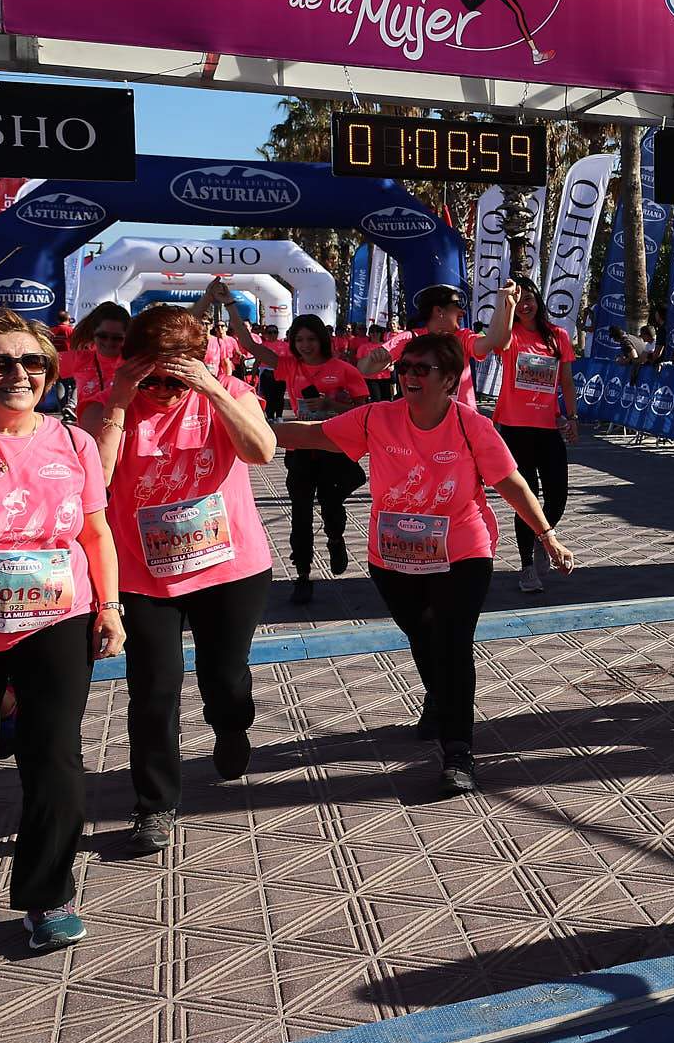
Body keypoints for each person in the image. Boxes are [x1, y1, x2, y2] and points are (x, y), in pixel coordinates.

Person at [275, 333, 575, 793]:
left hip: (463, 550)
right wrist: (241, 424)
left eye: (422, 368)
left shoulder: (471, 426)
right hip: (393, 557)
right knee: (421, 634)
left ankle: (459, 749)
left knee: (453, 643)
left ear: (449, 379)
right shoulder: (379, 417)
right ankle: (439, 694)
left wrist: (546, 535)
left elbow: (510, 481)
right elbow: (312, 434)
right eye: (405, 367)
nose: (409, 374)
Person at [0, 312, 124, 950]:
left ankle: (48, 894)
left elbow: (94, 531)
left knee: (55, 754)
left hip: (55, 618)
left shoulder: (74, 444)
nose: (18, 374)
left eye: (32, 362)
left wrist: (111, 605)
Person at [86, 306, 276, 855]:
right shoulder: (104, 407)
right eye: (155, 378)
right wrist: (122, 399)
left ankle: (231, 723)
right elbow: (94, 484)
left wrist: (212, 390)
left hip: (229, 567)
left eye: (178, 376)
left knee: (225, 677)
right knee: (154, 690)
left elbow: (261, 452)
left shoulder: (229, 394)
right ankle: (155, 804)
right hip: (145, 577)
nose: (166, 389)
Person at [230, 307, 370, 606]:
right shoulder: (289, 366)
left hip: (334, 449)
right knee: (301, 514)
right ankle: (303, 574)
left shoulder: (346, 370)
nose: (305, 345)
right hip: (300, 451)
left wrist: (330, 404)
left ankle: (335, 538)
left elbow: (365, 412)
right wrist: (230, 306)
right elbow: (251, 347)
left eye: (311, 339)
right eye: (299, 340)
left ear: (322, 339)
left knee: (332, 507)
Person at [489, 277, 579, 594]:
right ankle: (528, 567)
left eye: (530, 298)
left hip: (548, 428)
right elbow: (495, 340)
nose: (526, 303)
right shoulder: (509, 335)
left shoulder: (558, 336)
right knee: (525, 500)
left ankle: (544, 536)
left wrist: (572, 416)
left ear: (539, 301)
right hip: (515, 429)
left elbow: (566, 381)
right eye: (520, 299)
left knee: (558, 496)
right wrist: (506, 304)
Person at [356, 283, 501, 409]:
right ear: (439, 311)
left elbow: (490, 342)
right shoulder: (410, 338)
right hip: (424, 422)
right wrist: (373, 359)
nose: (462, 311)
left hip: (461, 420)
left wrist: (503, 301)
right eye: (457, 305)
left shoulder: (463, 337)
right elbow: (364, 369)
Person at [59, 303, 130, 415]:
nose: (109, 342)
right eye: (102, 336)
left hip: (124, 429)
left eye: (117, 338)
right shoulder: (80, 358)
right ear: (93, 334)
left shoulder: (134, 363)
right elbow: (40, 363)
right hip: (86, 430)